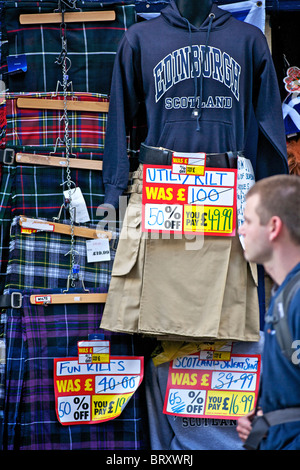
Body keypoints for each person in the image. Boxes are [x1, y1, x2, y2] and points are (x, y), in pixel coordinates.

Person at [237, 174, 300, 450]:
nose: (241, 230)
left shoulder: (296, 298)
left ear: (273, 227)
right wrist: (267, 417)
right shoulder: (284, 294)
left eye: (248, 221)